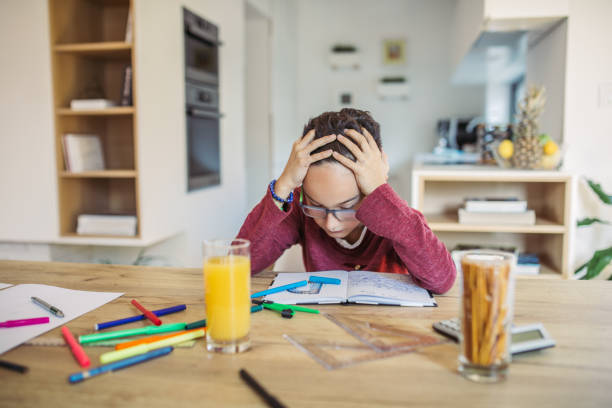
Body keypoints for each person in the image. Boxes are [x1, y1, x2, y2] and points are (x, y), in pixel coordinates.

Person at [237, 108, 456, 294]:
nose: (331, 224)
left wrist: (380, 193)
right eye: (317, 206)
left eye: (347, 207)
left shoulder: (393, 215)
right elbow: (239, 268)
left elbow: (442, 280)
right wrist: (283, 186)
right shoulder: (297, 209)